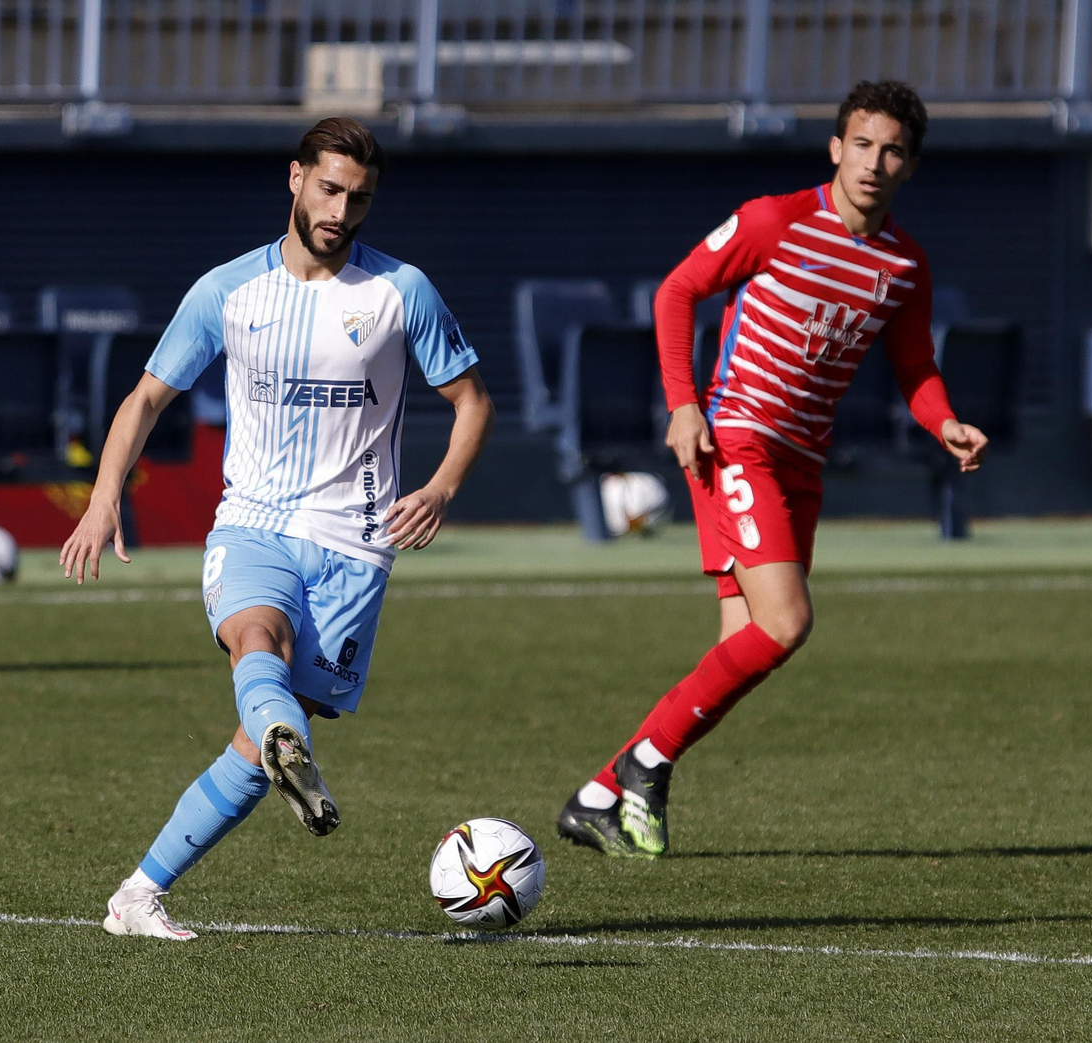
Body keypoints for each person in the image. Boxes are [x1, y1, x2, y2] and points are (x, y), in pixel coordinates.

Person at [59, 117, 495, 938]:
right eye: (329, 189)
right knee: (256, 638)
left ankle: (137, 895)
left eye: (358, 198)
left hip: (356, 544)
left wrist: (440, 487)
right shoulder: (228, 290)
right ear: (294, 178)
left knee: (255, 743)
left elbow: (472, 401)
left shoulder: (401, 292)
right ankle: (282, 735)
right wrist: (103, 495)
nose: (340, 210)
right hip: (251, 524)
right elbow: (146, 396)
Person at [558, 81, 989, 858]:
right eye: (862, 143)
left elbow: (915, 363)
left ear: (911, 165)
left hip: (801, 460)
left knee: (750, 642)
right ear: (835, 148)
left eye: (892, 150)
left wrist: (945, 420)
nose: (874, 161)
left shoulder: (904, 266)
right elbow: (678, 290)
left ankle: (598, 795)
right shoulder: (773, 220)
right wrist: (684, 405)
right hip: (737, 441)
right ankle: (642, 763)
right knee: (788, 621)